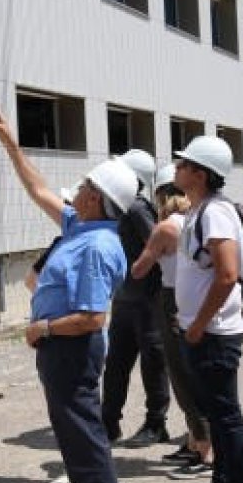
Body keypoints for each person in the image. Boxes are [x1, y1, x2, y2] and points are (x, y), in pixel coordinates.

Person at [0, 107, 135, 483]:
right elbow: (38, 189)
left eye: (86, 185)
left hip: (70, 348)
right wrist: (9, 143)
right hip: (61, 351)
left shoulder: (95, 247)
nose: (78, 190)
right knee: (75, 442)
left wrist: (43, 330)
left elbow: (92, 318)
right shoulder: (80, 228)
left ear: (96, 198)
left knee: (86, 444)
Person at [172, 136, 243, 483]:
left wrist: (200, 322)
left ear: (199, 174)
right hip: (200, 330)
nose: (176, 168)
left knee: (225, 416)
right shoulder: (200, 210)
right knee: (217, 414)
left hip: (214, 334)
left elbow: (227, 274)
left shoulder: (216, 213)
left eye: (183, 164)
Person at [130, 165, 211, 477]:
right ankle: (194, 442)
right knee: (197, 373)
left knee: (183, 376)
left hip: (173, 300)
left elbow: (139, 269)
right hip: (201, 300)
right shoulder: (198, 220)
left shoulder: (166, 228)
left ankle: (205, 451)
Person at [103, 150, 172, 448]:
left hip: (146, 300)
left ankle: (156, 424)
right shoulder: (120, 207)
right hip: (124, 299)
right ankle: (108, 423)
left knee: (152, 364)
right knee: (116, 363)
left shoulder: (137, 208)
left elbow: (158, 245)